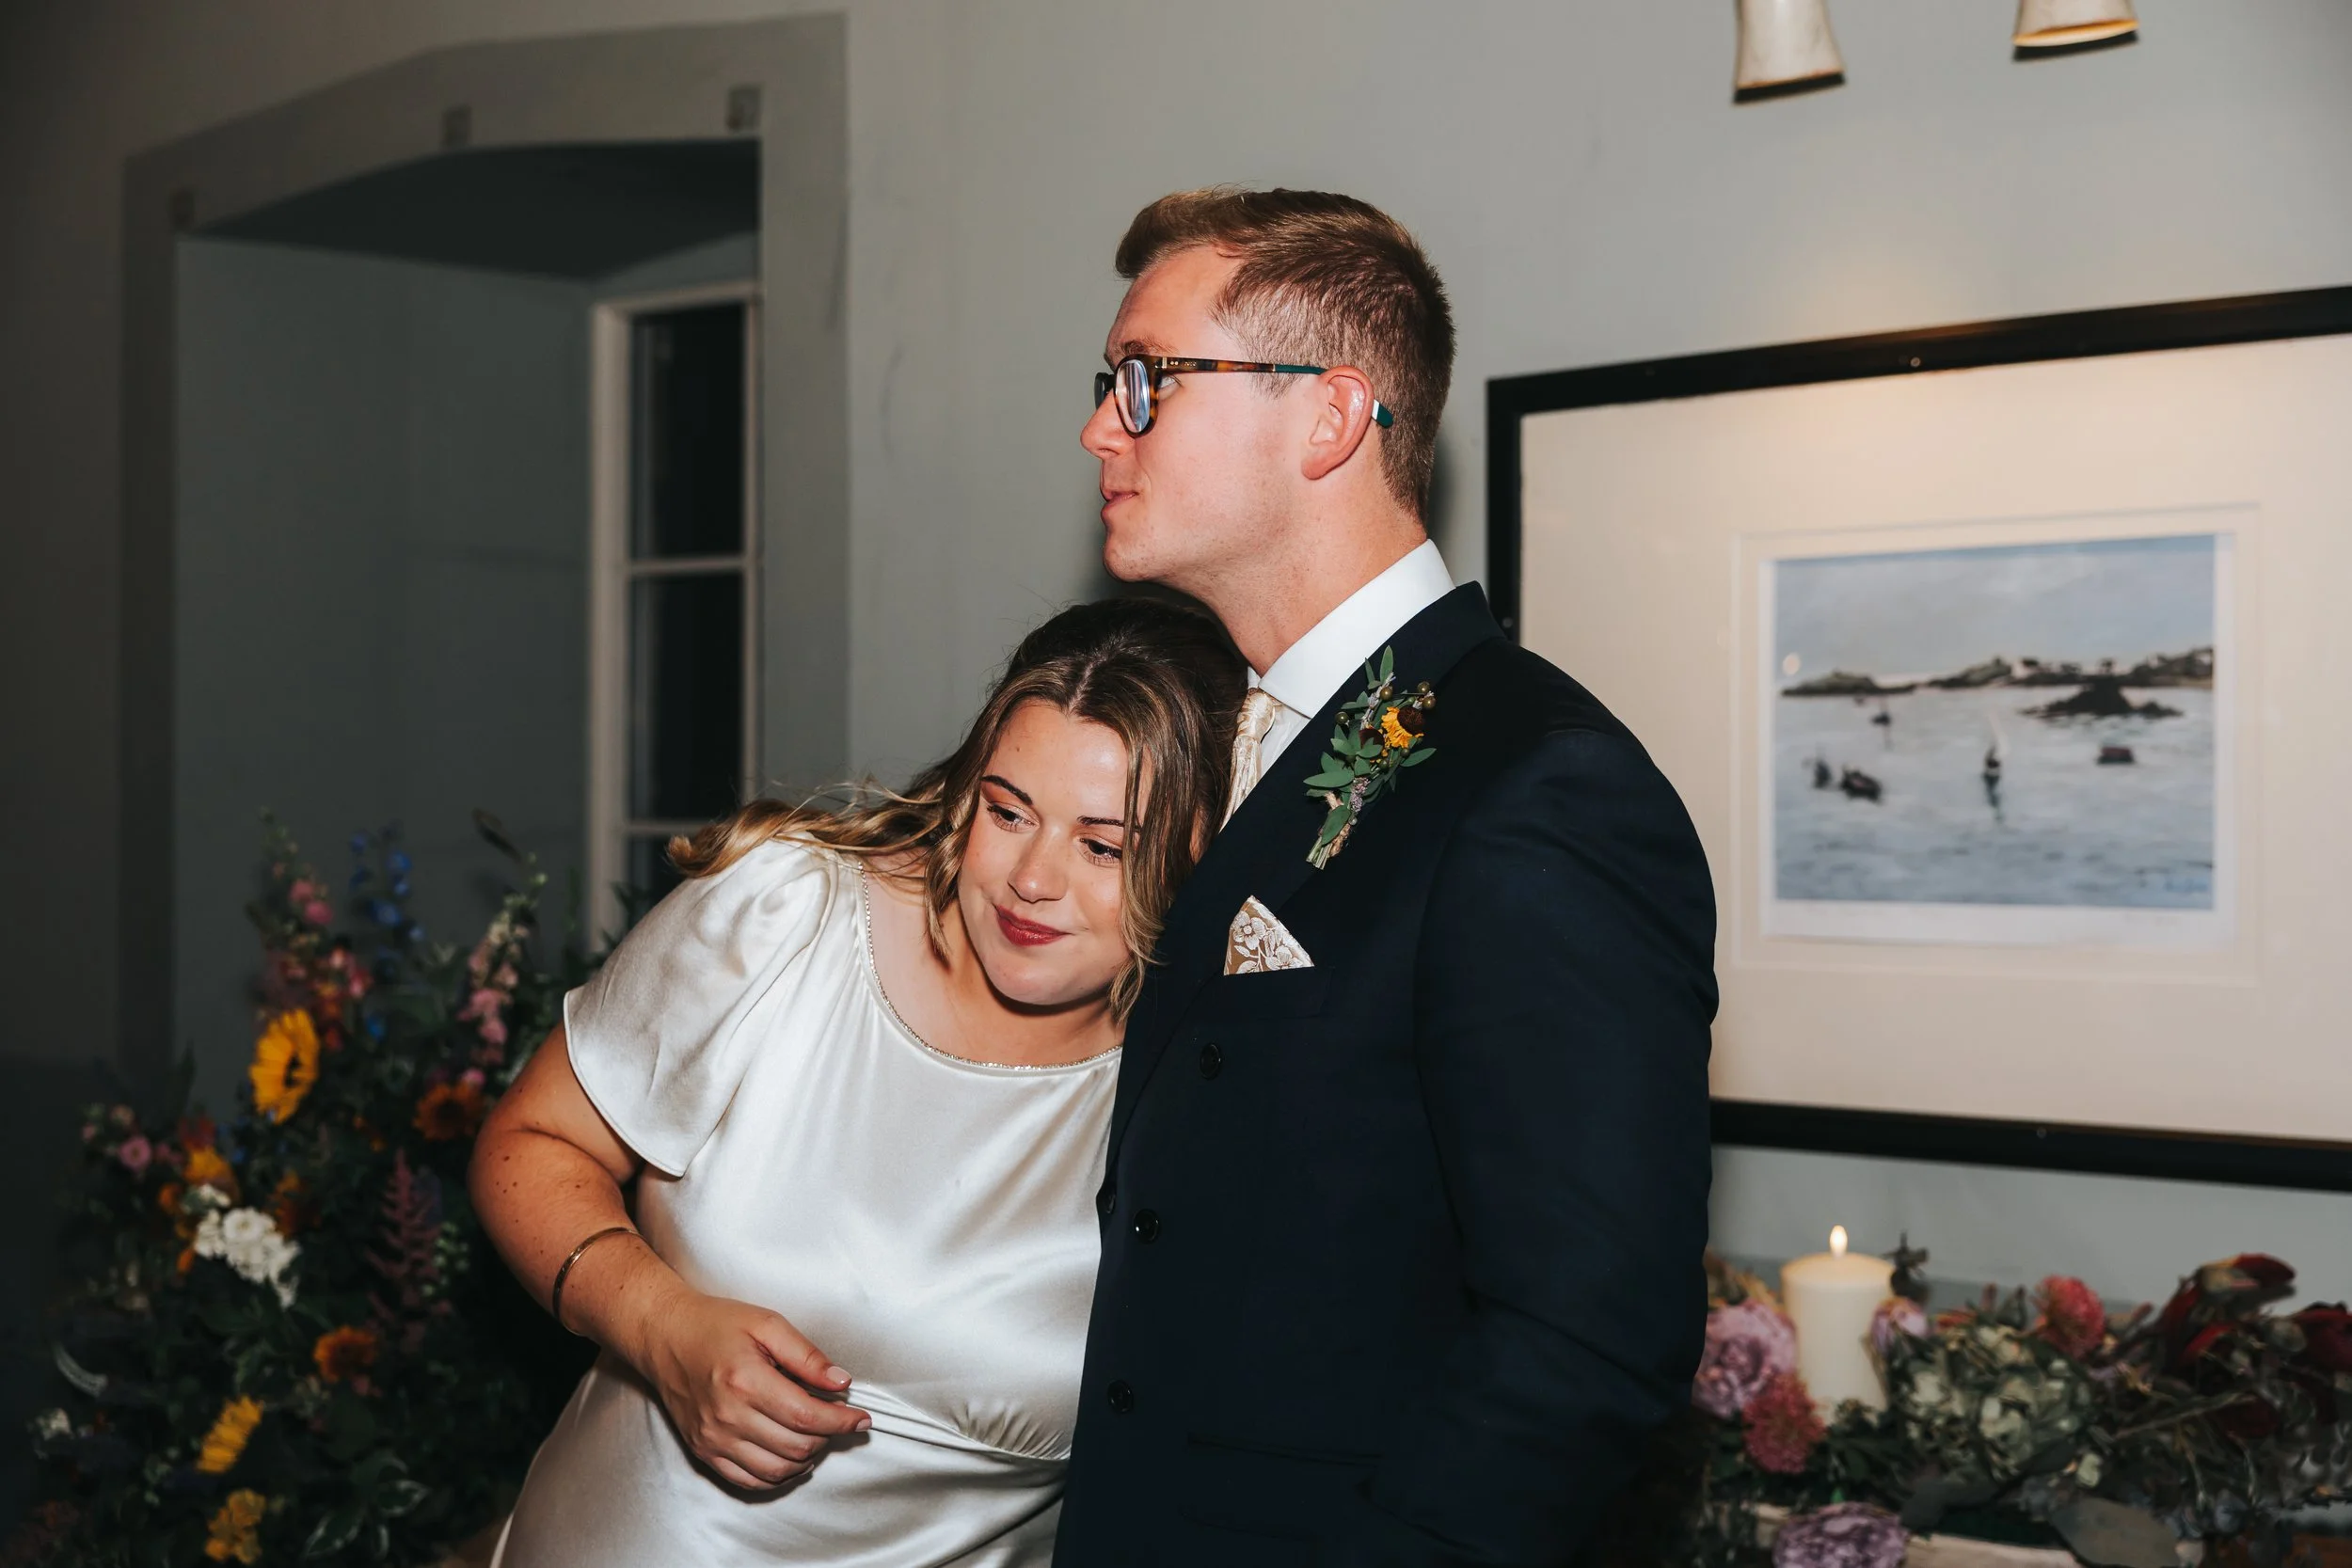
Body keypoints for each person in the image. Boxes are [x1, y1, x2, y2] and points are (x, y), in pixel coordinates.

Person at [1057, 188, 1721, 1566]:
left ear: (1330, 416)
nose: (1101, 428)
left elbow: (1583, 1342)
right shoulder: (1235, 736)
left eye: (1147, 379)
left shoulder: (1538, 784)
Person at [470, 599, 1244, 1567]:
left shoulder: (1212, 1085)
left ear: (1202, 857)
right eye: (1007, 810)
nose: (1031, 877)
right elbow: (531, 1142)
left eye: (1103, 846)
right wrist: (660, 1327)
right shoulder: (789, 914)